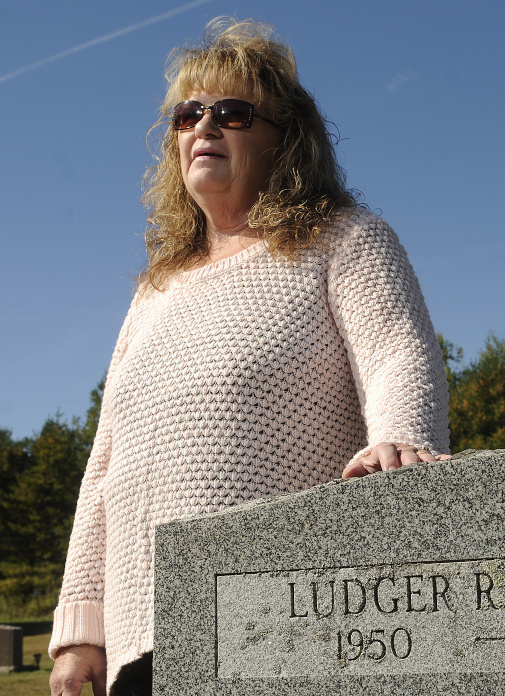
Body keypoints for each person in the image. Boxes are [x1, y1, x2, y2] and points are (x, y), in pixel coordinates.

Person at [48, 18, 450, 696]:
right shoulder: (156, 290)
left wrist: (400, 437)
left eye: (232, 112)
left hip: (282, 625)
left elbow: (399, 353)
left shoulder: (341, 240)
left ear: (284, 139)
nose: (205, 126)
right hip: (140, 642)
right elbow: (104, 464)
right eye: (188, 114)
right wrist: (80, 632)